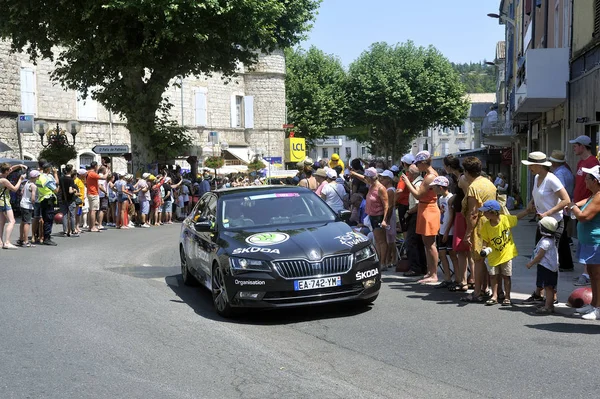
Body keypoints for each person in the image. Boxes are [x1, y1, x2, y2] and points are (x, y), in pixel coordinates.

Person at [520, 152, 571, 304]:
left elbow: (566, 200)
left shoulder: (552, 179)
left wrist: (548, 212)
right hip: (542, 223)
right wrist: (531, 203)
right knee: (539, 255)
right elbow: (538, 195)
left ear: (540, 165)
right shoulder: (537, 178)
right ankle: (538, 291)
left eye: (531, 165)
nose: (529, 168)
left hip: (553, 224)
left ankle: (552, 295)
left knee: (549, 259)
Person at [460, 156, 497, 302]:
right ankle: (487, 289)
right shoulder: (489, 183)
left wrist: (468, 233)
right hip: (492, 222)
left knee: (479, 259)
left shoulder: (473, 188)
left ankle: (477, 292)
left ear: (467, 172)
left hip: (480, 225)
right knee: (489, 257)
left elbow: (473, 214)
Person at [479, 200, 529, 306]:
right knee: (493, 276)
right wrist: (484, 248)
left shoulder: (505, 220)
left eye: (485, 212)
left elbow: (517, 217)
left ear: (493, 212)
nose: (483, 214)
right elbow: (485, 240)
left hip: (506, 254)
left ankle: (507, 296)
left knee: (506, 275)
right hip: (493, 255)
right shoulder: (486, 225)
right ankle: (495, 295)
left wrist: (527, 211)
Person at [401, 151, 440, 284]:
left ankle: (433, 273)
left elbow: (418, 195)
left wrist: (407, 182)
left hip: (428, 209)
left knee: (430, 244)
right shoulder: (429, 175)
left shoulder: (430, 177)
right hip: (425, 208)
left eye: (418, 163)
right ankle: (430, 272)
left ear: (423, 163)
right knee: (427, 243)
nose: (417, 166)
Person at [569, 165, 600, 319]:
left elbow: (584, 216)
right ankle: (594, 304)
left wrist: (573, 207)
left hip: (595, 242)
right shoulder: (594, 195)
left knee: (597, 275)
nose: (585, 181)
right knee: (593, 274)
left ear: (595, 181)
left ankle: (598, 308)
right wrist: (573, 204)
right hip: (588, 241)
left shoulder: (599, 196)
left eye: (587, 178)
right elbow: (583, 202)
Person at [570, 135, 600, 286]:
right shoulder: (581, 163)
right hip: (581, 203)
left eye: (576, 145)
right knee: (583, 242)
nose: (574, 148)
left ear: (582, 146)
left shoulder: (593, 162)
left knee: (590, 247)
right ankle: (586, 273)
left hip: (587, 207)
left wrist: (576, 205)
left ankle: (586, 274)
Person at [350, 167, 388, 261]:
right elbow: (363, 178)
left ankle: (383, 262)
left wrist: (384, 220)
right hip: (372, 216)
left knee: (381, 241)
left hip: (378, 216)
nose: (365, 179)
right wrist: (354, 174)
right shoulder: (371, 184)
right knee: (377, 240)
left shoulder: (380, 188)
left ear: (371, 178)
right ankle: (380, 260)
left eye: (367, 177)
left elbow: (386, 205)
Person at [525, 217, 559, 314]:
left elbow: (539, 256)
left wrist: (530, 263)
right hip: (551, 267)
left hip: (546, 267)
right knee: (550, 287)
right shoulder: (550, 240)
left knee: (548, 287)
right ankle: (550, 305)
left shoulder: (545, 242)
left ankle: (548, 306)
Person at [430, 176, 458, 288]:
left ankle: (458, 278)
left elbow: (451, 216)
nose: (433, 190)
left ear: (441, 187)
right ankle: (447, 278)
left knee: (452, 255)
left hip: (449, 231)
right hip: (441, 229)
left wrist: (446, 231)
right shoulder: (440, 199)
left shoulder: (450, 198)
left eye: (435, 187)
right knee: (442, 254)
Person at [549, 149, 576, 265]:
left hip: (562, 208)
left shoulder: (559, 174)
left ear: (554, 163)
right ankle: (566, 262)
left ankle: (565, 262)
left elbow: (560, 191)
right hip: (567, 207)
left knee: (561, 237)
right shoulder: (566, 171)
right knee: (563, 236)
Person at [402, 164, 427, 277]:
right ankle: (422, 267)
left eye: (408, 172)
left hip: (415, 214)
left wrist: (409, 212)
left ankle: (415, 268)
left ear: (411, 173)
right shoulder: (419, 182)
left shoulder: (417, 184)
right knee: (418, 243)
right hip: (417, 214)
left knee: (411, 242)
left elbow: (418, 203)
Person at [0, 162, 26, 249]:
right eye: (9, 170)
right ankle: (7, 242)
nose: (10, 170)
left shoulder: (1, 176)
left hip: (0, 202)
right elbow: (14, 189)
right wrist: (20, 180)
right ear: (6, 171)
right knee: (12, 221)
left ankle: (0, 242)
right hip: (4, 202)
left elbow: (11, 169)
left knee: (2, 222)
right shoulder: (4, 180)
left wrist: (19, 166)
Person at [36, 163, 60, 246]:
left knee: (44, 218)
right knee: (48, 220)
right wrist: (58, 187)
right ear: (48, 169)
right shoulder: (48, 178)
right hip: (48, 200)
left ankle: (41, 236)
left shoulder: (40, 177)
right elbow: (56, 190)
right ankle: (47, 238)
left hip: (42, 199)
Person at [379, 170, 398, 270]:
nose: (381, 179)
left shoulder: (390, 190)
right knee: (390, 239)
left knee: (390, 239)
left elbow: (390, 206)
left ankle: (391, 259)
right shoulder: (389, 189)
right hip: (390, 216)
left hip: (389, 216)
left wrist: (386, 219)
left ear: (389, 179)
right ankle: (392, 259)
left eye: (384, 178)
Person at [395, 154, 415, 245]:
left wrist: (393, 202)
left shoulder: (404, 176)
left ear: (404, 164)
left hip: (403, 205)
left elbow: (399, 191)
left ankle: (408, 250)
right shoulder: (415, 175)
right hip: (413, 205)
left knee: (405, 229)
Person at [86, 161, 109, 232]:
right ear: (95, 166)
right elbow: (104, 177)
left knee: (91, 210)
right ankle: (92, 227)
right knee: (93, 210)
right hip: (93, 193)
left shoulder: (88, 172)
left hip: (90, 192)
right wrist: (108, 171)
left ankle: (90, 226)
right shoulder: (92, 173)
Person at [18, 169, 39, 247]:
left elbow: (21, 192)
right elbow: (33, 197)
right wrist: (33, 202)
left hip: (22, 203)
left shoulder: (27, 182)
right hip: (28, 205)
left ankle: (21, 239)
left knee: (23, 222)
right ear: (36, 177)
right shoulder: (33, 186)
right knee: (27, 223)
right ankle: (26, 241)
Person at [59, 164, 79, 237]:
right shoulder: (71, 180)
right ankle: (73, 230)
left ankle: (65, 231)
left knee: (64, 215)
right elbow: (70, 191)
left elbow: (59, 189)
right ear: (71, 170)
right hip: (70, 199)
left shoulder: (61, 178)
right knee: (72, 215)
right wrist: (74, 190)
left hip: (63, 198)